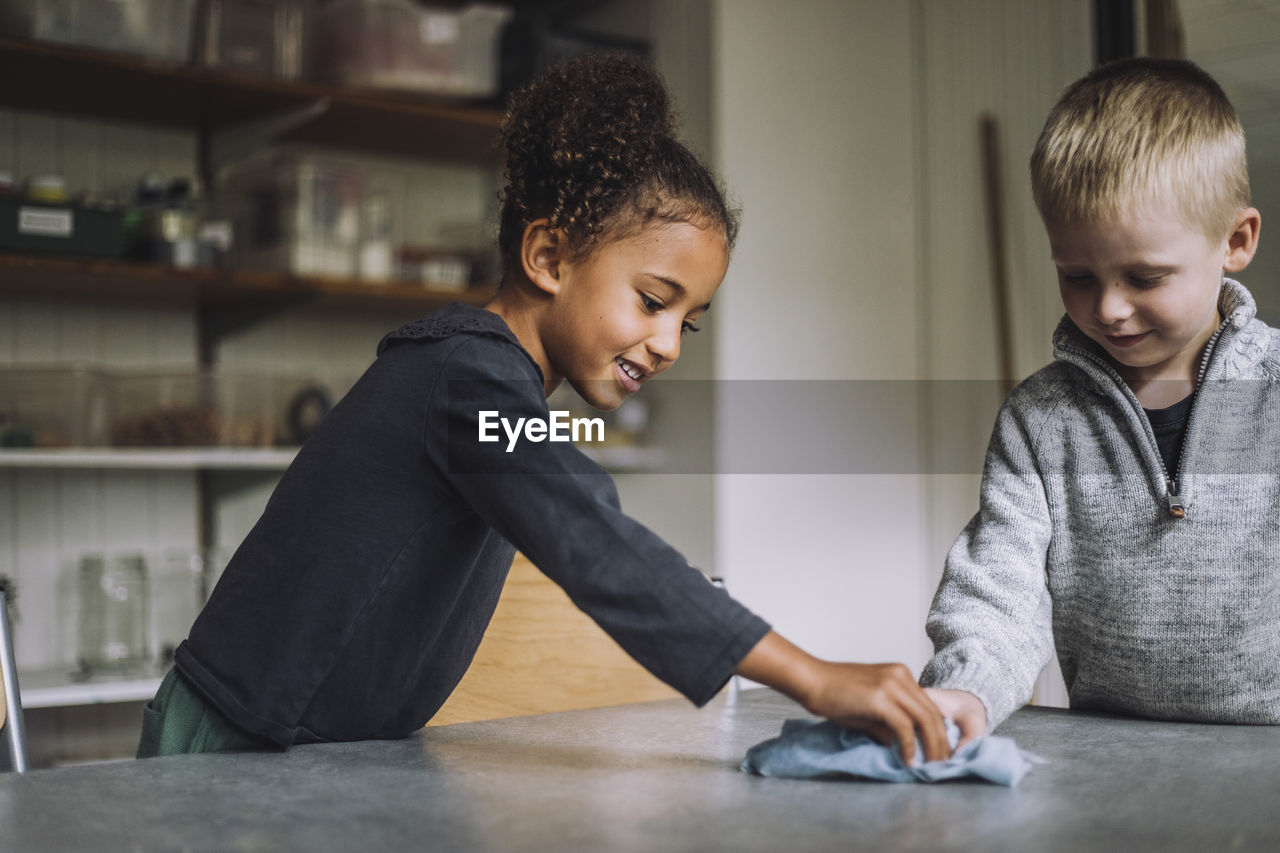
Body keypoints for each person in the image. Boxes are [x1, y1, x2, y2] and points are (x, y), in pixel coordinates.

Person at [138, 52, 949, 764]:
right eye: (652, 299)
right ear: (549, 256)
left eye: (686, 322)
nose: (668, 343)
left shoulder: (487, 386)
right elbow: (594, 539)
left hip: (306, 755)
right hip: (232, 741)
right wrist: (812, 675)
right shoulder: (468, 382)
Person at [921, 57, 1279, 742]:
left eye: (1145, 276)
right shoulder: (1040, 420)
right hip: (1108, 756)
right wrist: (965, 690)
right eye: (1077, 275)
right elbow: (999, 591)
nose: (1109, 308)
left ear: (1235, 241)